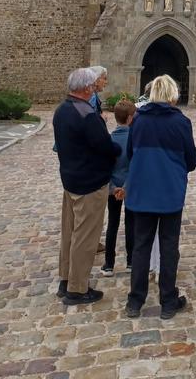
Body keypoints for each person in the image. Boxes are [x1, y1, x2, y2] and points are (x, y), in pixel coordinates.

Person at [124, 74, 196, 320]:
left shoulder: (138, 122)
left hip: (142, 189)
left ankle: (135, 301)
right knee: (168, 246)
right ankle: (168, 301)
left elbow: (130, 152)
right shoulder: (181, 122)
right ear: (172, 94)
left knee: (141, 245)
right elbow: (191, 159)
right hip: (169, 191)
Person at [53, 67, 121, 306]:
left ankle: (66, 278)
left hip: (70, 180)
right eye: (92, 86)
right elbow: (105, 146)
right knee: (85, 237)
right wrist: (117, 149)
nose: (94, 88)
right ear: (84, 88)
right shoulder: (87, 115)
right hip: (90, 183)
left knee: (69, 233)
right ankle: (78, 289)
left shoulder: (61, 110)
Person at [100, 99, 136, 277]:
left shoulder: (109, 139)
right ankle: (130, 261)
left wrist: (114, 187)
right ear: (131, 118)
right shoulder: (134, 139)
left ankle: (109, 263)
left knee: (112, 223)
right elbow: (135, 166)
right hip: (130, 187)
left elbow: (105, 167)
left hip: (113, 188)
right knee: (131, 223)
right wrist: (126, 187)